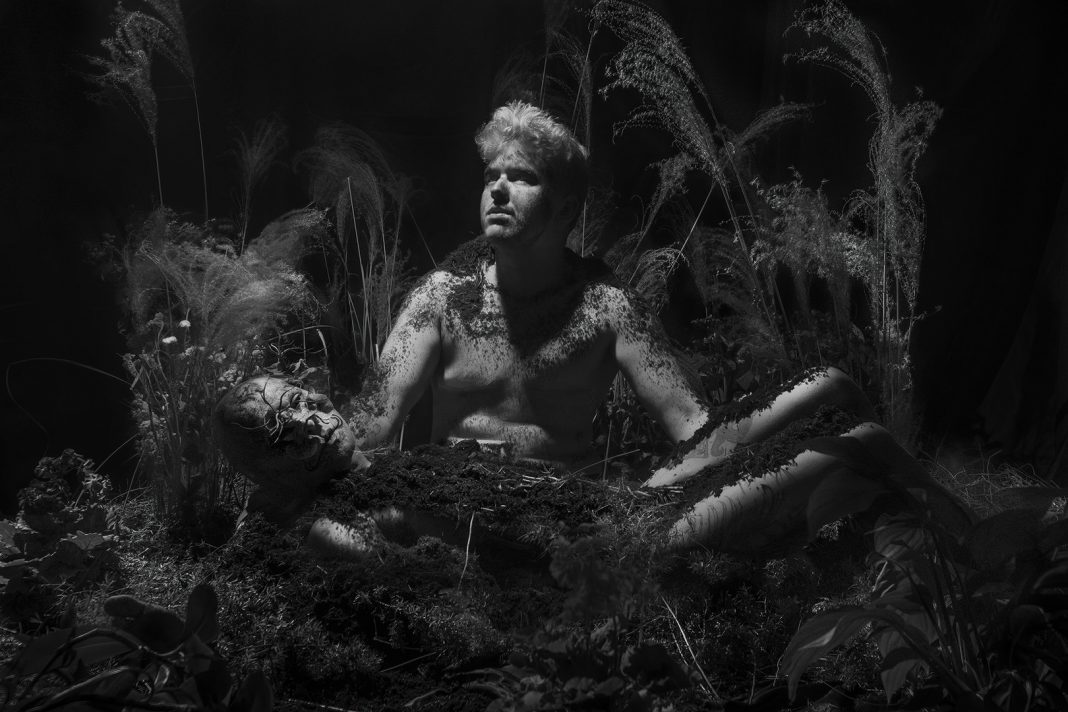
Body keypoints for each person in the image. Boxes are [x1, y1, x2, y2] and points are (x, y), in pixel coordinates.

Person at [214, 101, 963, 553]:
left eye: (523, 177)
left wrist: (712, 470)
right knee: (861, 442)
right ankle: (975, 561)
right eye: (491, 175)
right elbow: (371, 422)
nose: (498, 188)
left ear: (567, 207)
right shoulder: (441, 299)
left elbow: (694, 429)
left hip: (587, 515)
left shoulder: (605, 305)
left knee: (832, 385)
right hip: (493, 528)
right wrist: (282, 448)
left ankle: (962, 550)